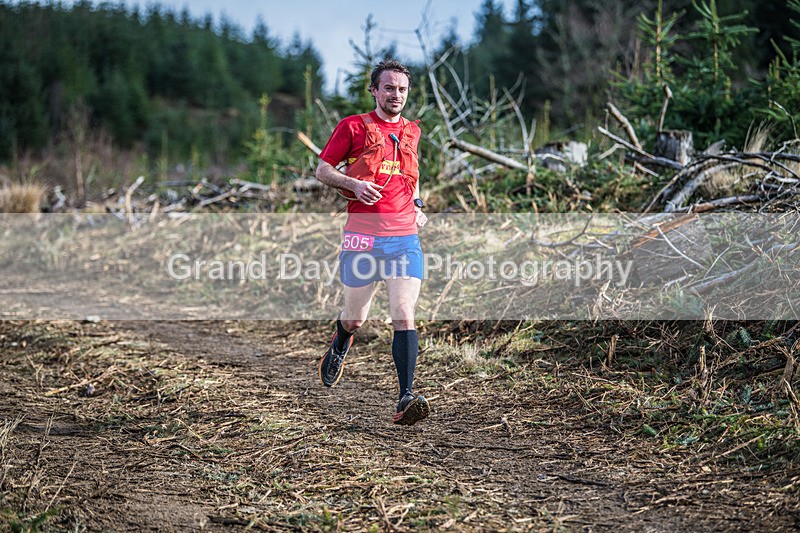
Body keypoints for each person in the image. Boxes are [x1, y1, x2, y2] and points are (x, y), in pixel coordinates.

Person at [315, 59, 429, 426]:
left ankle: (405, 397)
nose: (396, 94)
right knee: (356, 318)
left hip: (403, 239)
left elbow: (411, 178)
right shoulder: (353, 126)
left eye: (402, 89)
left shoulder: (412, 131)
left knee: (404, 313)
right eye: (389, 88)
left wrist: (417, 205)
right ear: (375, 90)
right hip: (362, 238)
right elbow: (323, 170)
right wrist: (354, 184)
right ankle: (341, 340)